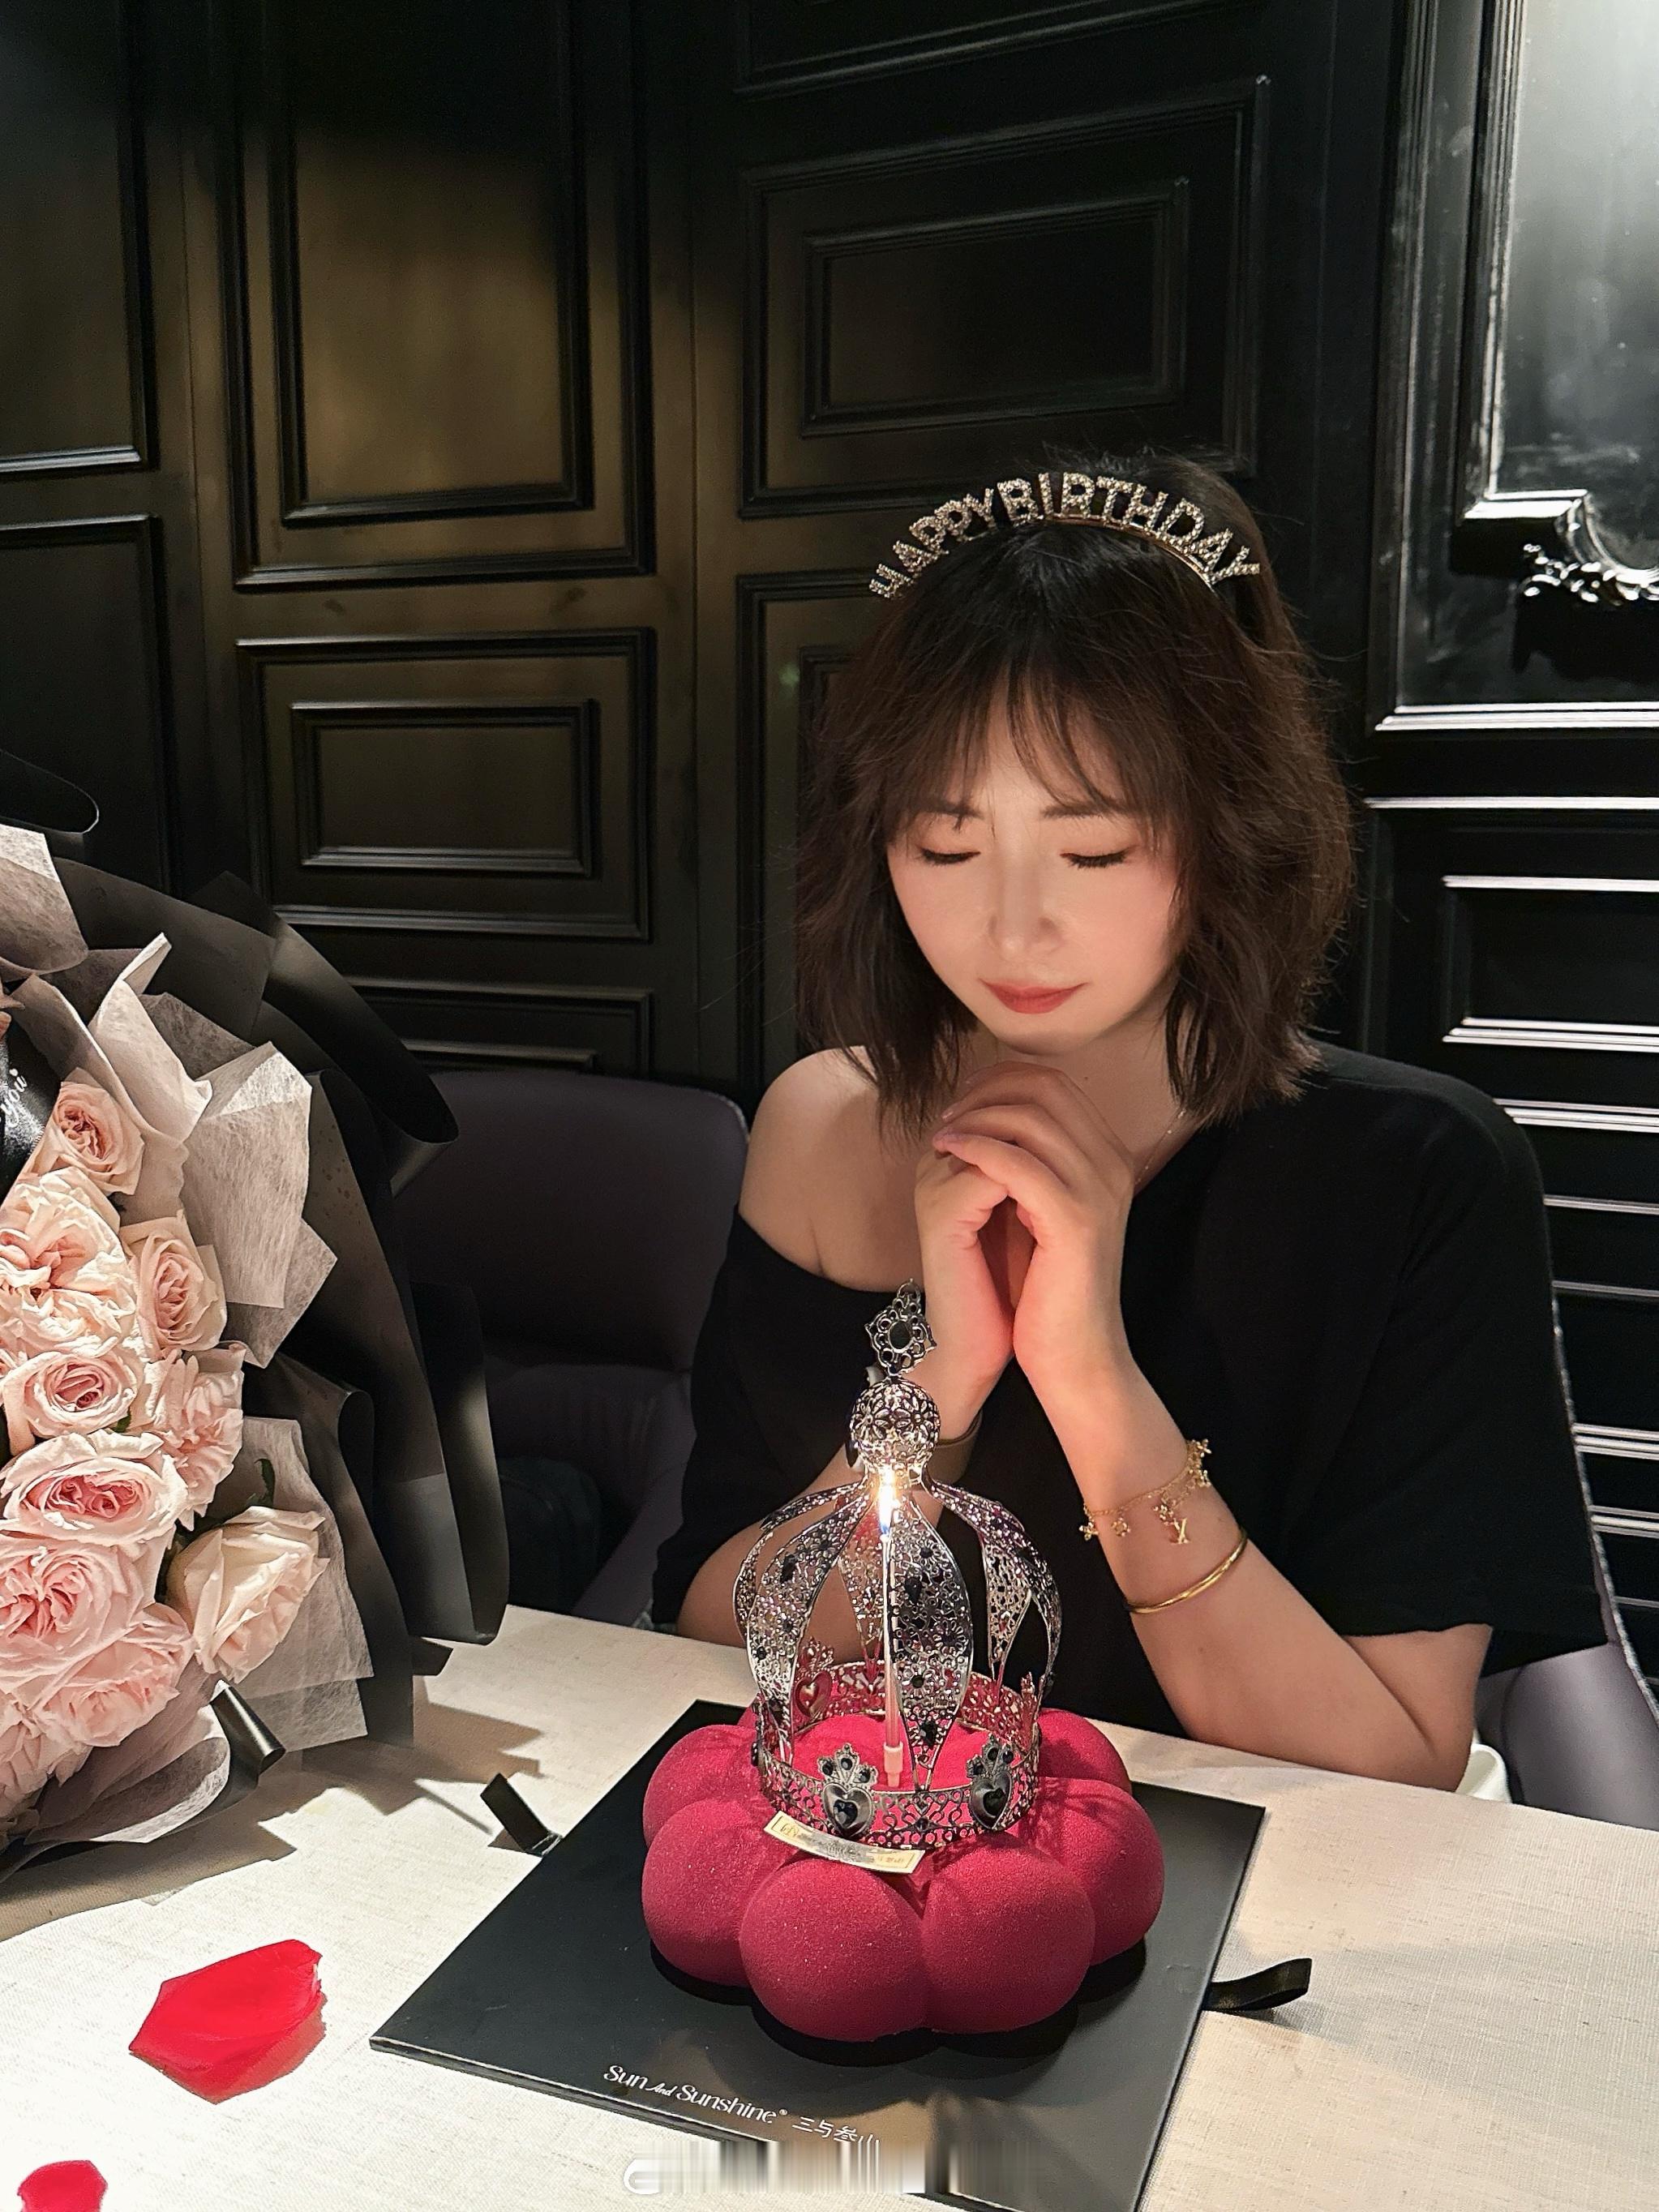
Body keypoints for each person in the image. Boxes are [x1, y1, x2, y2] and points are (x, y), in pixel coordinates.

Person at [649, 447, 1605, 1790]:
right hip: (898, 1842)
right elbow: (720, 1642)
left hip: (1267, 1871)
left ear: (1229, 826)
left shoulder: (1412, 1172)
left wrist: (1092, 1383)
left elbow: (1388, 1770)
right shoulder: (827, 1126)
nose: (1010, 926)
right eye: (943, 843)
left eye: (1093, 847)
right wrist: (939, 1386)